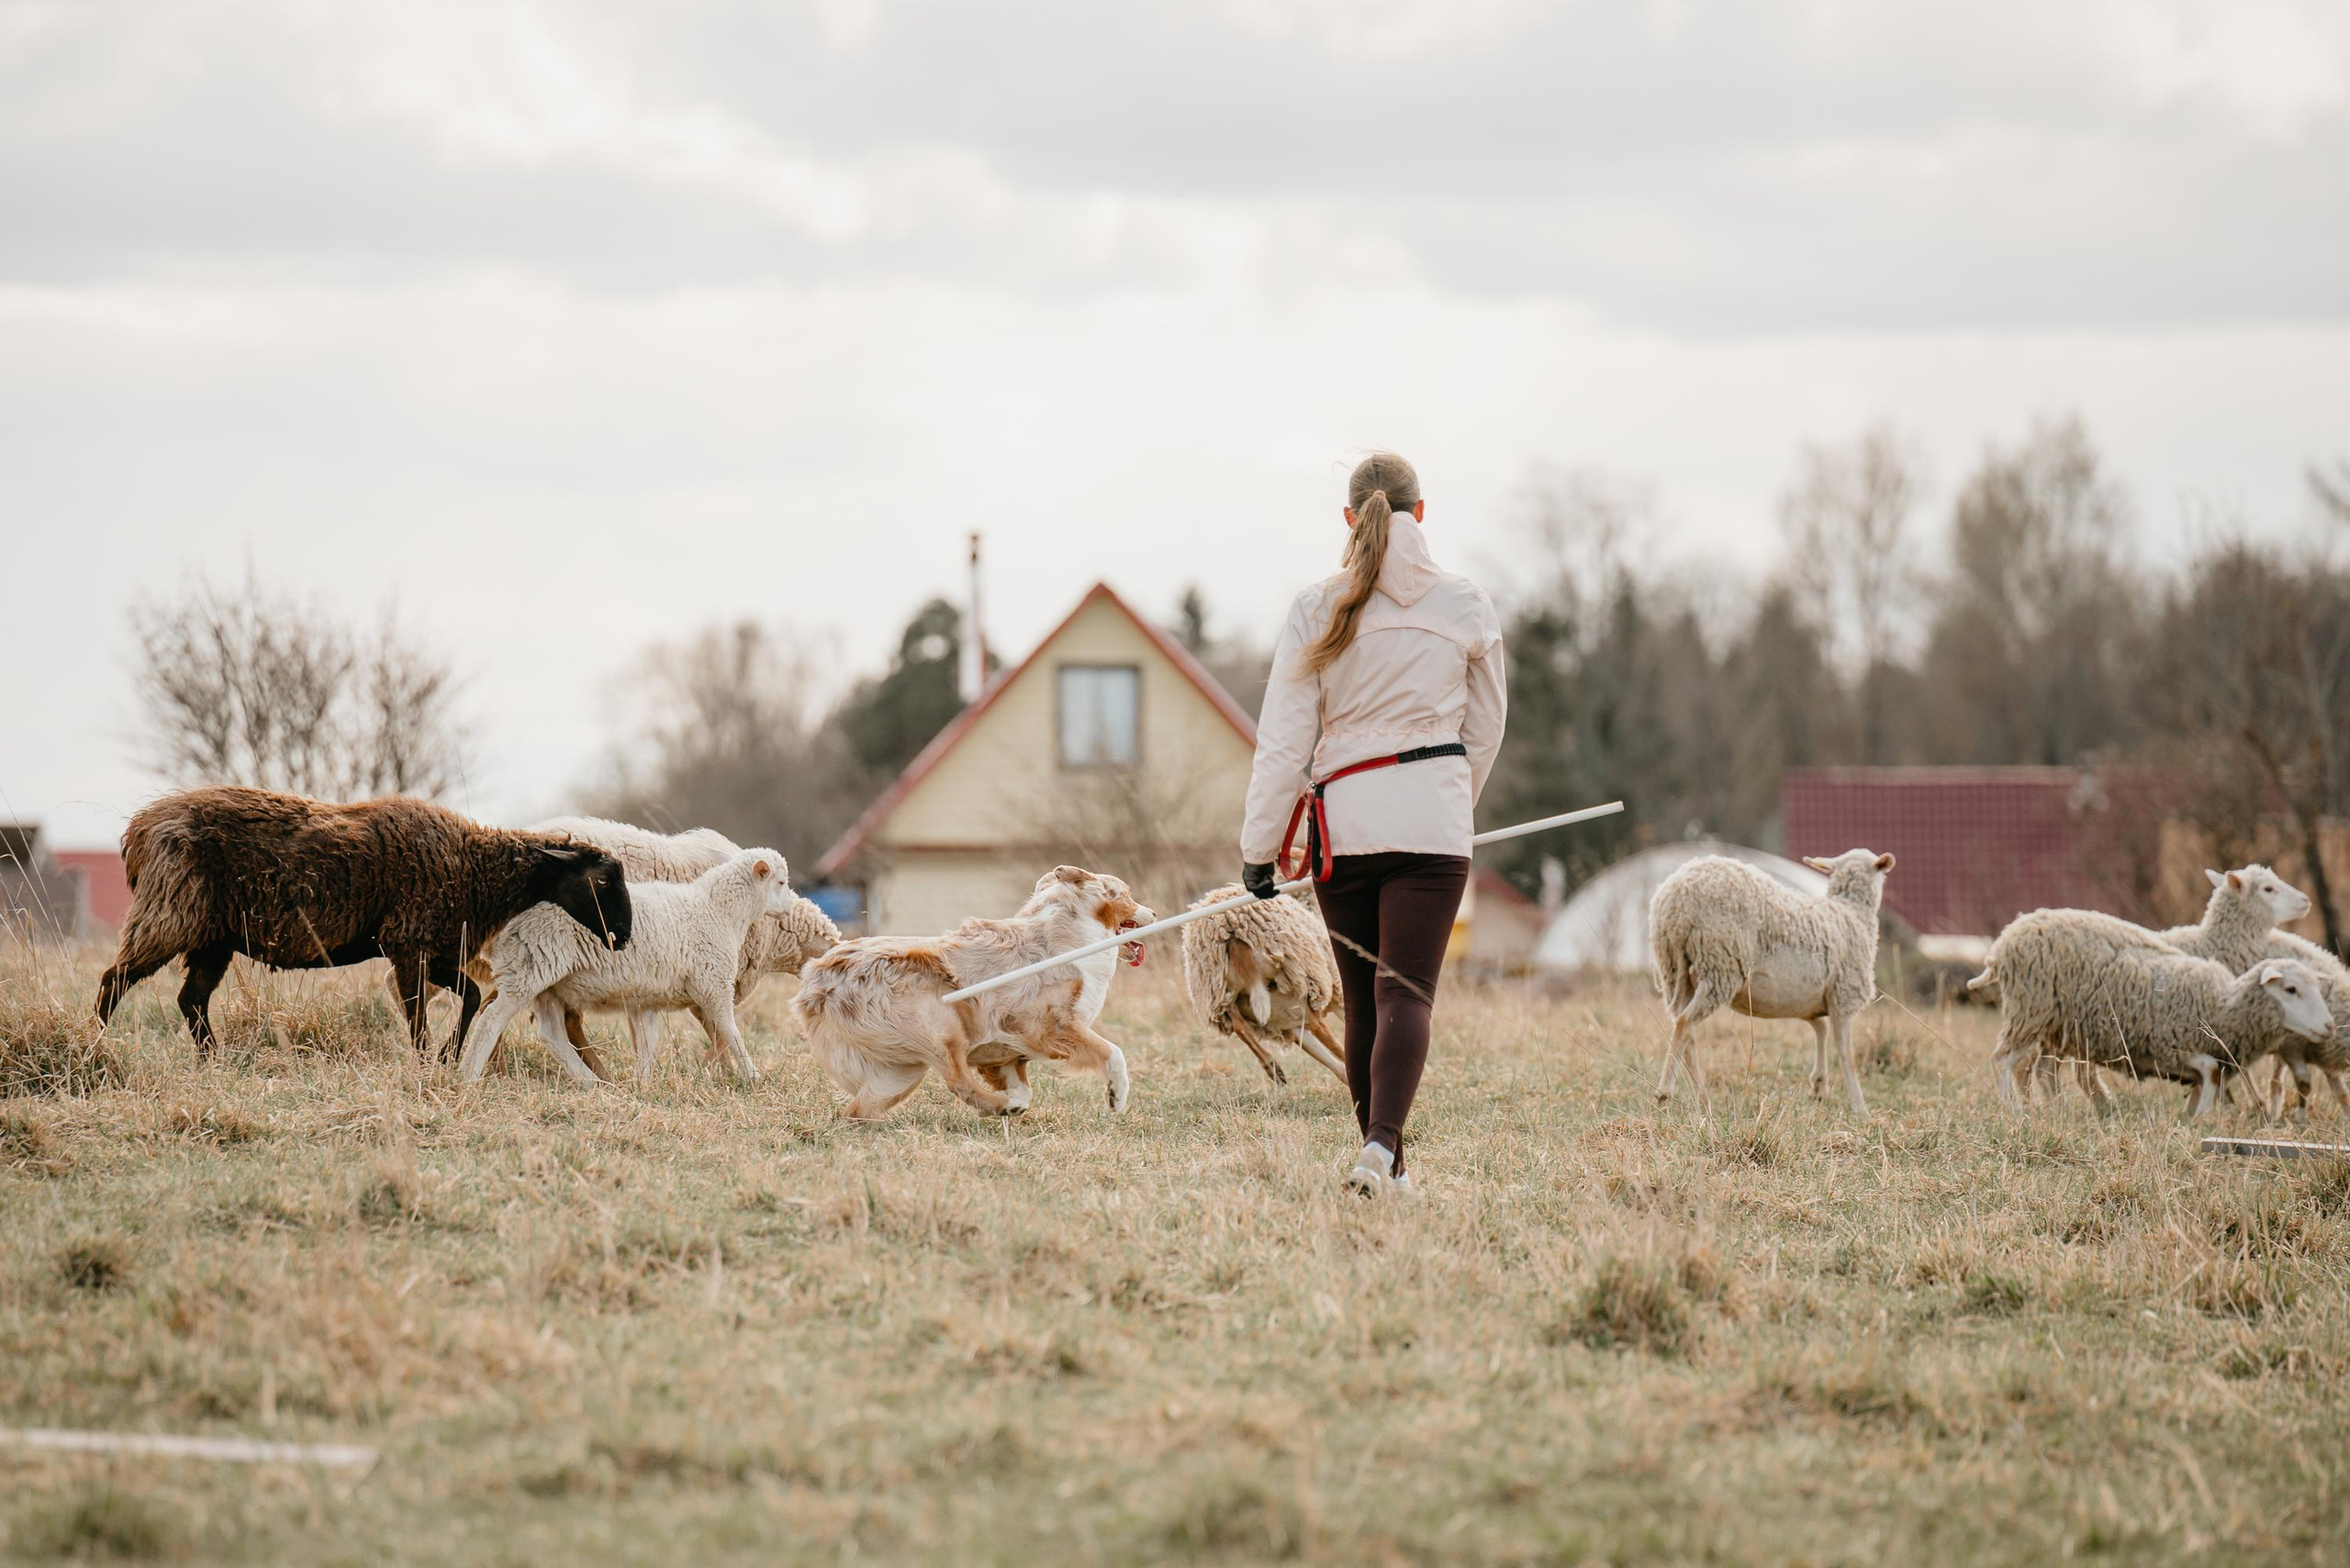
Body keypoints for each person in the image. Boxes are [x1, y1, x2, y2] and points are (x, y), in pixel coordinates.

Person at [1238, 453, 1506, 1197]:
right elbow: (1486, 730)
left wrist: (1258, 850)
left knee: (1363, 1001)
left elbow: (1284, 742)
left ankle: (1382, 1159)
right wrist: (1452, 802)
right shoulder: (1465, 605)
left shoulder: (1315, 607)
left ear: (1350, 520)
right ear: (1422, 514)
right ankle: (1383, 1149)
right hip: (1432, 830)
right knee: (1406, 996)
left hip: (1347, 830)